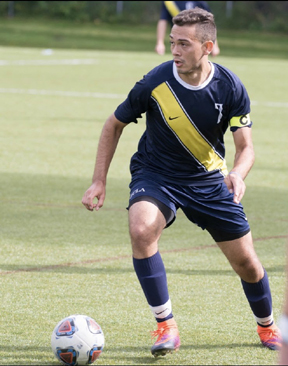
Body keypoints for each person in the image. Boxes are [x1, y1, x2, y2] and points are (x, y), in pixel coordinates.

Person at [82, 7, 281, 357]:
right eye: (173, 43)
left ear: (207, 47)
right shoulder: (155, 82)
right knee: (141, 229)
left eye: (184, 44)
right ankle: (165, 326)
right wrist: (99, 181)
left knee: (247, 263)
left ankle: (266, 325)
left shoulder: (230, 87)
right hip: (156, 174)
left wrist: (237, 173)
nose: (175, 51)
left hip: (208, 181)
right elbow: (113, 124)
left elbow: (246, 147)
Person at [155, 1, 220, 56]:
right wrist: (160, 43)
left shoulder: (199, 1)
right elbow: (163, 21)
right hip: (179, 40)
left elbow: (208, 23)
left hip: (197, 41)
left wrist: (214, 45)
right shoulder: (169, 2)